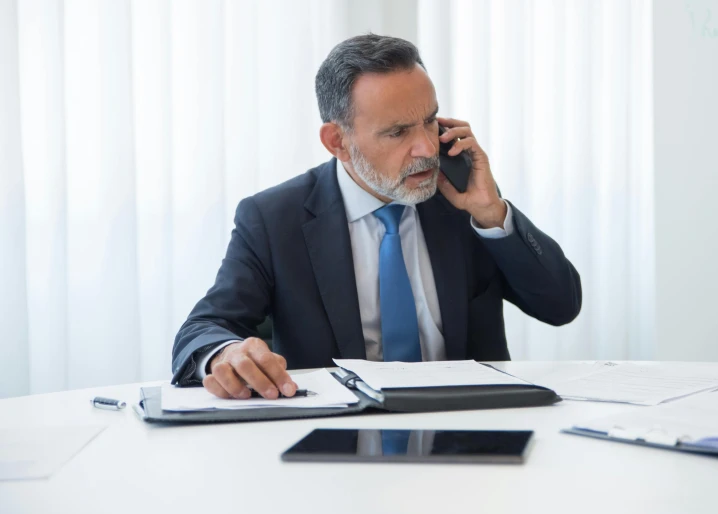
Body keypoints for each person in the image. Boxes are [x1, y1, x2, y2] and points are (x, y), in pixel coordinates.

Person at [171, 34, 582, 400]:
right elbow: (204, 328)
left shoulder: (462, 197)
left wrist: (493, 215)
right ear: (338, 141)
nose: (425, 147)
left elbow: (561, 306)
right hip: (337, 444)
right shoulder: (273, 218)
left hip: (469, 428)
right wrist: (227, 352)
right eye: (398, 132)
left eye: (429, 121)